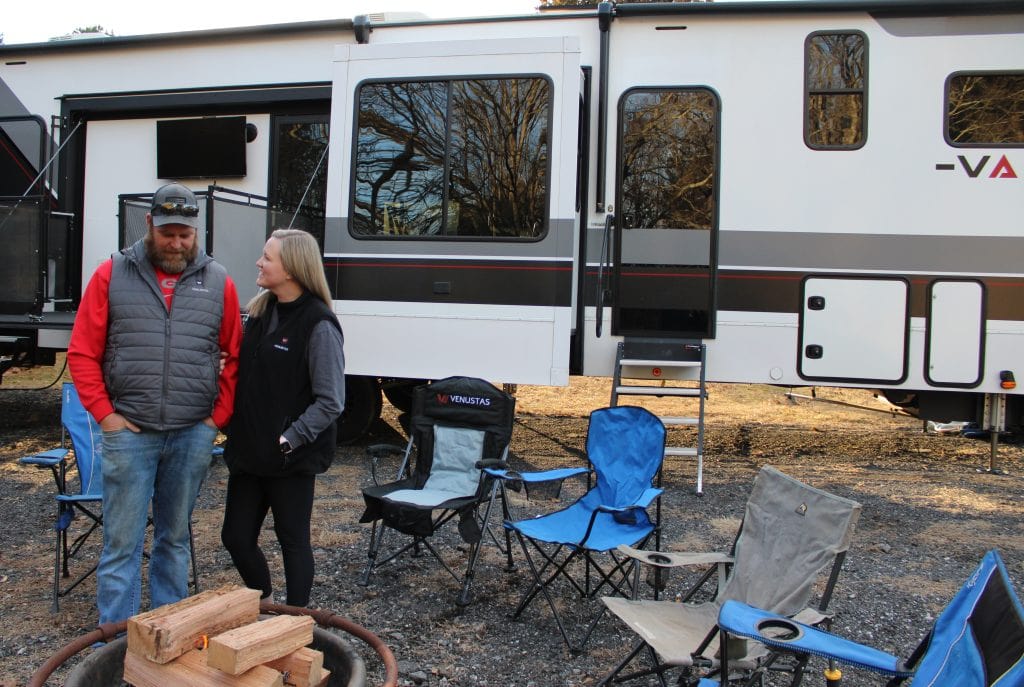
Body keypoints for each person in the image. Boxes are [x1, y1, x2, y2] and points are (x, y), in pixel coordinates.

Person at [67, 182, 242, 625]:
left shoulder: (218, 280)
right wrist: (105, 416)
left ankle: (167, 635)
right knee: (121, 543)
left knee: (175, 539)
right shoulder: (111, 274)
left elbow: (234, 356)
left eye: (185, 233)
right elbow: (83, 352)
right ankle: (116, 640)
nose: (177, 242)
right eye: (168, 233)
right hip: (130, 434)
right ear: (149, 224)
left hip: (191, 434)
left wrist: (214, 419)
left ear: (196, 231)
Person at [221, 228, 345, 608]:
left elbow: (331, 401)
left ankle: (296, 619)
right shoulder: (260, 311)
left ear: (291, 268)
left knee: (292, 540)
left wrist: (289, 438)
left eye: (267, 257)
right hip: (249, 452)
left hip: (289, 457)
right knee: (236, 538)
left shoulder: (318, 324)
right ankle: (266, 602)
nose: (259, 263)